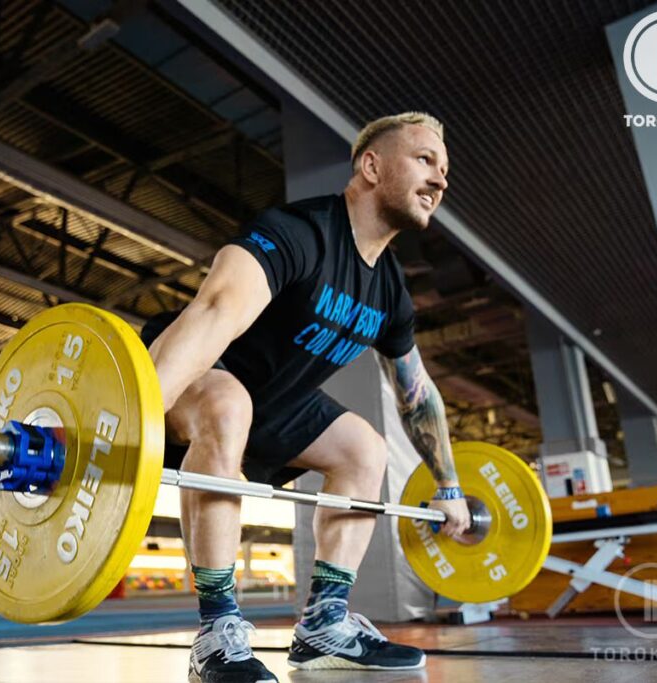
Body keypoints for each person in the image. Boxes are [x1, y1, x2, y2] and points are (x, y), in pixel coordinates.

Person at [141, 112, 469, 683]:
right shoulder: (298, 231)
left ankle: (324, 625)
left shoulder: (390, 290)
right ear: (371, 165)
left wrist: (449, 485)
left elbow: (417, 392)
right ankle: (217, 631)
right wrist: (127, 422)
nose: (441, 180)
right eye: (424, 160)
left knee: (365, 451)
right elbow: (215, 312)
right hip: (193, 378)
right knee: (229, 405)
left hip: (274, 403)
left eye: (444, 169)